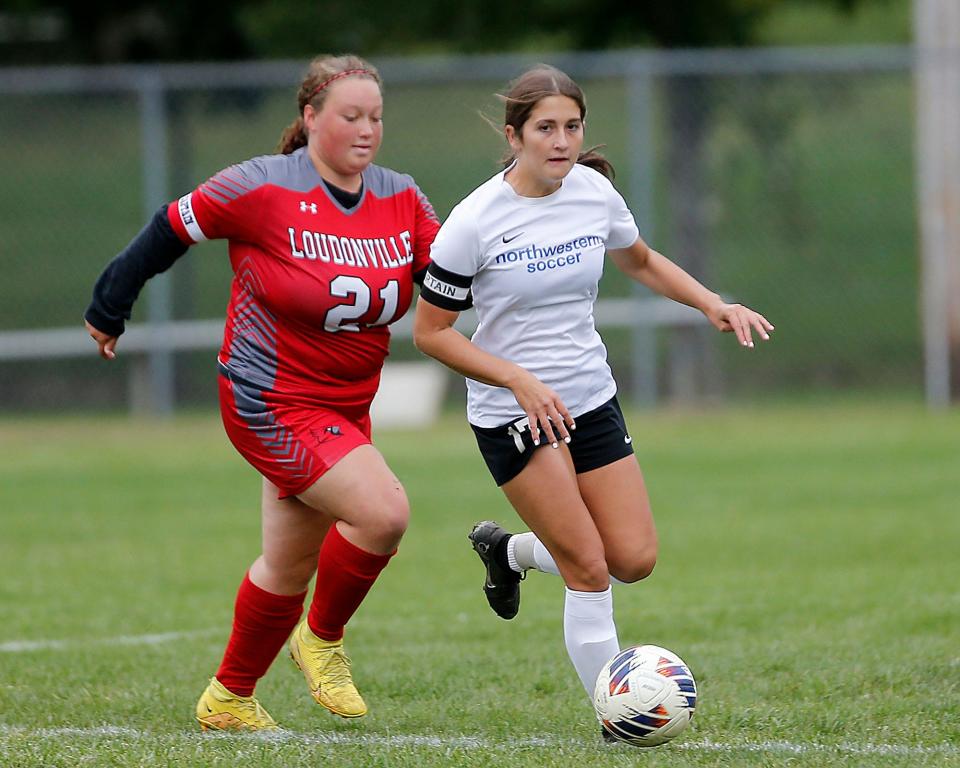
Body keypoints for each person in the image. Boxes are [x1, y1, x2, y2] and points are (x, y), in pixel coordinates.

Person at [84, 54, 439, 731]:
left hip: (345, 404)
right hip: (268, 398)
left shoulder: (400, 196)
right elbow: (168, 230)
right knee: (383, 513)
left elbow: (449, 273)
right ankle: (322, 638)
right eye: (350, 116)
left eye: (376, 117)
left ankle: (229, 698)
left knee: (288, 562)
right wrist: (110, 303)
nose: (367, 130)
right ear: (309, 118)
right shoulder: (260, 186)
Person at [413, 64, 773, 727]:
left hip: (590, 399)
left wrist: (710, 303)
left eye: (572, 127)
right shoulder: (473, 222)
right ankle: (621, 719)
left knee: (632, 559)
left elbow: (637, 259)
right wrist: (516, 379)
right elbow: (430, 334)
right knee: (588, 569)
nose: (561, 142)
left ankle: (511, 551)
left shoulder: (592, 193)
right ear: (514, 134)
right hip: (514, 415)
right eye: (546, 128)